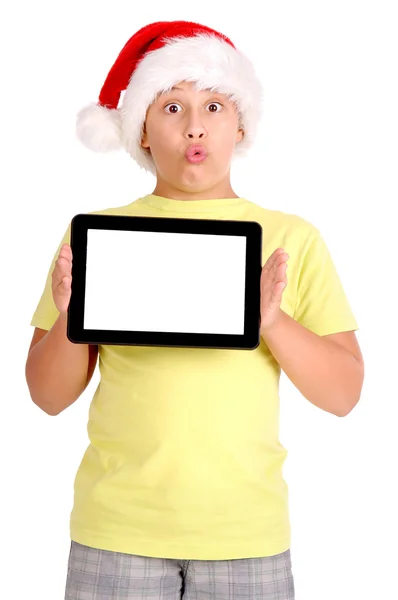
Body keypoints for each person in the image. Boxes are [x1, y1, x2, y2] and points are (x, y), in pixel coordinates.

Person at [25, 20, 364, 600]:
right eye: (171, 108)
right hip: (117, 532)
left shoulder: (291, 238)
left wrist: (273, 323)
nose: (195, 126)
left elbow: (344, 394)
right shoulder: (97, 237)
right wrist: (70, 320)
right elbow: (48, 396)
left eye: (213, 105)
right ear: (142, 132)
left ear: (241, 127)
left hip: (245, 535)